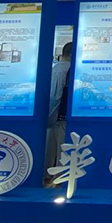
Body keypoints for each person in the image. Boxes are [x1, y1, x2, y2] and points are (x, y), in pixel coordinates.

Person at [46, 42, 73, 170]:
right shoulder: (68, 70)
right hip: (62, 115)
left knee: (50, 148)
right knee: (62, 148)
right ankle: (59, 176)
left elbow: (52, 96)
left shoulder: (55, 69)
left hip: (53, 116)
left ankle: (46, 175)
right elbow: (56, 96)